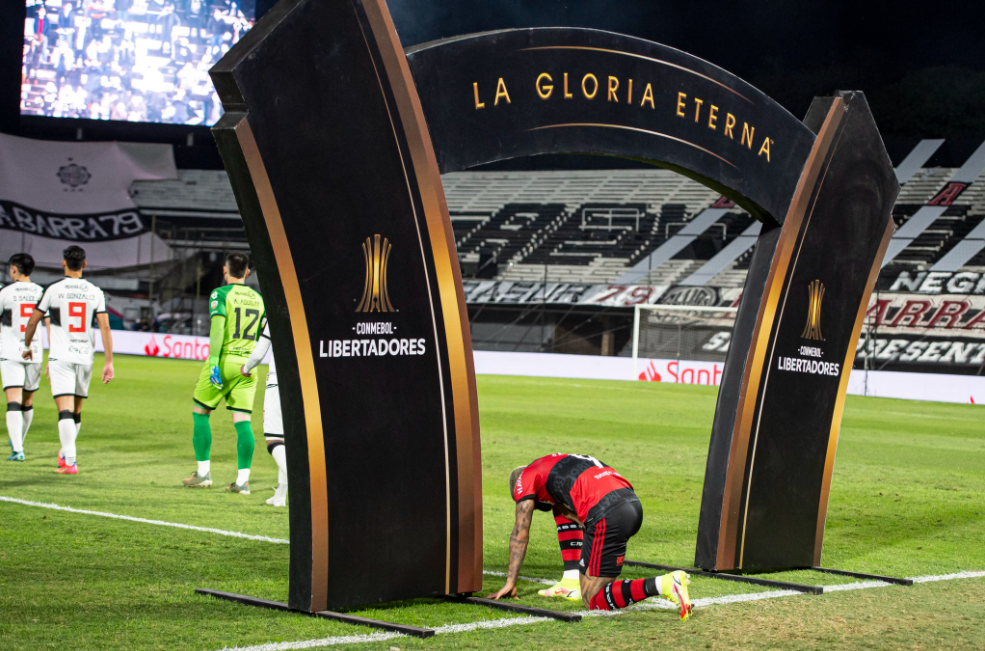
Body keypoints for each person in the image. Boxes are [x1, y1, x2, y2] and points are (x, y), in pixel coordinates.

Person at [489, 453, 693, 619]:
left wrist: (510, 581)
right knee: (564, 514)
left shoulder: (524, 479)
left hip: (607, 514)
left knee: (594, 600)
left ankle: (665, 584)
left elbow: (520, 532)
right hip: (631, 504)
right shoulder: (554, 463)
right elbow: (568, 510)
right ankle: (570, 580)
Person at [22, 246, 114, 475]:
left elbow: (33, 322)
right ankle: (65, 454)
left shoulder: (53, 290)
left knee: (64, 410)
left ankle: (71, 461)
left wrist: (27, 346)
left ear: (64, 263)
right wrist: (109, 362)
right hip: (85, 357)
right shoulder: (95, 292)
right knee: (76, 411)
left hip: (61, 356)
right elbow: (105, 327)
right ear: (84, 264)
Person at [183, 252, 264, 494]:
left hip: (225, 361)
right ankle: (242, 482)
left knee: (201, 413)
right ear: (247, 273)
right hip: (248, 367)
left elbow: (217, 329)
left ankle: (204, 473)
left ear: (224, 270)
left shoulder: (220, 294)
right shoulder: (259, 299)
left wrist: (215, 362)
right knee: (243, 422)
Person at [1, 254, 44, 462]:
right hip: (35, 352)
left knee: (13, 401)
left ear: (15, 269)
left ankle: (17, 448)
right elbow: (51, 325)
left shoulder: (6, 293)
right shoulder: (41, 293)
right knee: (27, 402)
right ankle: (19, 441)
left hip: (10, 351)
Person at [240, 323, 287, 506]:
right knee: (286, 441)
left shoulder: (275, 315)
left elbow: (260, 353)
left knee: (273, 439)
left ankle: (305, 484)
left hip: (278, 383)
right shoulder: (307, 310)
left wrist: (246, 368)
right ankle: (280, 496)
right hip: (304, 385)